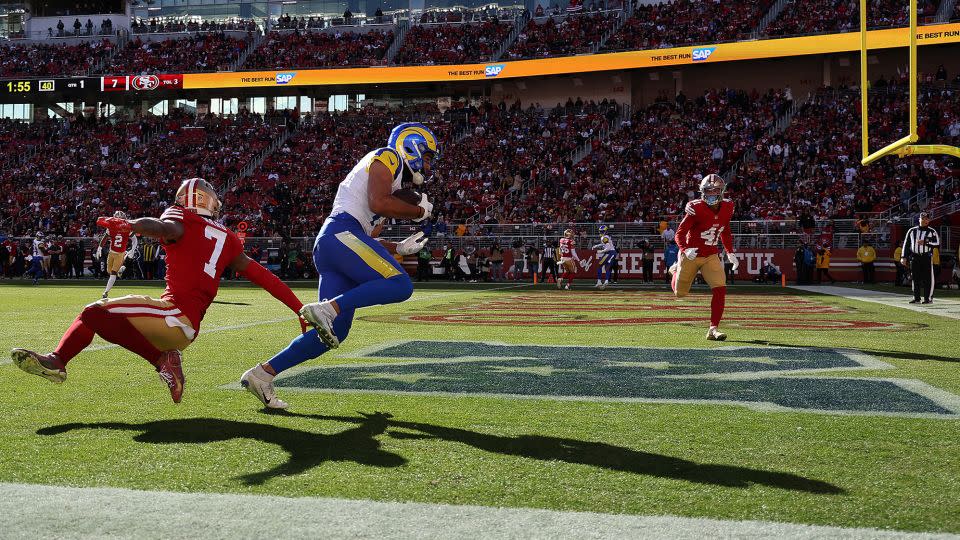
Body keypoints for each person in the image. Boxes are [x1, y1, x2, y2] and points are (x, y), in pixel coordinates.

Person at [11, 178, 306, 404]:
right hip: (183, 326)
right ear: (210, 202)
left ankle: (158, 360)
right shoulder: (228, 238)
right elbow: (263, 276)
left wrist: (131, 226)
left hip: (171, 316)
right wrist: (299, 308)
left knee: (93, 312)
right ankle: (58, 362)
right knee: (97, 317)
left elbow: (164, 228)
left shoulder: (182, 217)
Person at [240, 123, 436, 409]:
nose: (427, 163)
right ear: (412, 146)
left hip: (338, 245)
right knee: (400, 285)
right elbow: (378, 202)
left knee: (334, 334)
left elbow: (365, 241)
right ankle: (328, 308)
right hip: (339, 235)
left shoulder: (388, 183)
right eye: (427, 155)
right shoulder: (388, 156)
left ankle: (262, 374)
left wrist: (398, 248)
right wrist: (418, 211)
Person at [668, 174, 738, 341]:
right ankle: (675, 270)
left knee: (720, 287)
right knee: (680, 294)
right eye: (708, 190)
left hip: (710, 254)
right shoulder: (695, 207)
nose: (712, 193)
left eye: (715, 190)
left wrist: (730, 252)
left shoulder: (729, 206)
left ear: (722, 191)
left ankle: (713, 329)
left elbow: (725, 230)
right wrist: (685, 250)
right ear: (702, 191)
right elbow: (679, 233)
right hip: (691, 254)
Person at [901, 212, 939, 304]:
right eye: (923, 218)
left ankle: (928, 298)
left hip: (926, 256)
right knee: (915, 278)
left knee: (928, 278)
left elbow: (937, 243)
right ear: (919, 220)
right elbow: (906, 244)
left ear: (929, 220)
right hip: (915, 256)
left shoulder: (932, 231)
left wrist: (926, 242)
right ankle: (916, 298)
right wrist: (903, 257)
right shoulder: (911, 231)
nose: (925, 220)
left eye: (926, 219)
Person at [99, 210, 139, 298]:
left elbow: (135, 239)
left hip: (120, 253)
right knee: (109, 272)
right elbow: (105, 237)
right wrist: (100, 247)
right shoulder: (111, 227)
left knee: (113, 273)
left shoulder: (127, 228)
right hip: (111, 252)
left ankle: (105, 292)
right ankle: (120, 269)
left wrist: (132, 249)